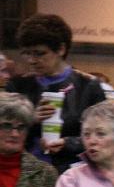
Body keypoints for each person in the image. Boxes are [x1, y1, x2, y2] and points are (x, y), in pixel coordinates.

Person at [5, 14, 105, 172]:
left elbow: (103, 136)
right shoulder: (17, 85)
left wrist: (68, 143)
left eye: (39, 53)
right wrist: (29, 118)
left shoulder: (89, 86)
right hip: (23, 172)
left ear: (61, 49)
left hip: (74, 172)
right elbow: (4, 132)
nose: (32, 60)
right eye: (27, 53)